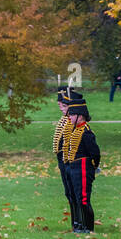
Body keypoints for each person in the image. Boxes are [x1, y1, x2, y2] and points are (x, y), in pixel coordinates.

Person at [61, 97, 100, 232]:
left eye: (72, 114)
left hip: (83, 167)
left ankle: (88, 227)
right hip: (73, 167)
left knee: (83, 199)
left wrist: (93, 167)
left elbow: (95, 153)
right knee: (77, 198)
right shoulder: (75, 130)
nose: (69, 117)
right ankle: (80, 225)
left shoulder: (86, 132)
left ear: (80, 116)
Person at [53, 87, 77, 226]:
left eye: (64, 106)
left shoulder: (72, 121)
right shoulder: (64, 119)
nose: (61, 108)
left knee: (74, 192)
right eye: (60, 106)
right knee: (68, 192)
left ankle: (79, 221)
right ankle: (75, 221)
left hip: (70, 161)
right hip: (62, 160)